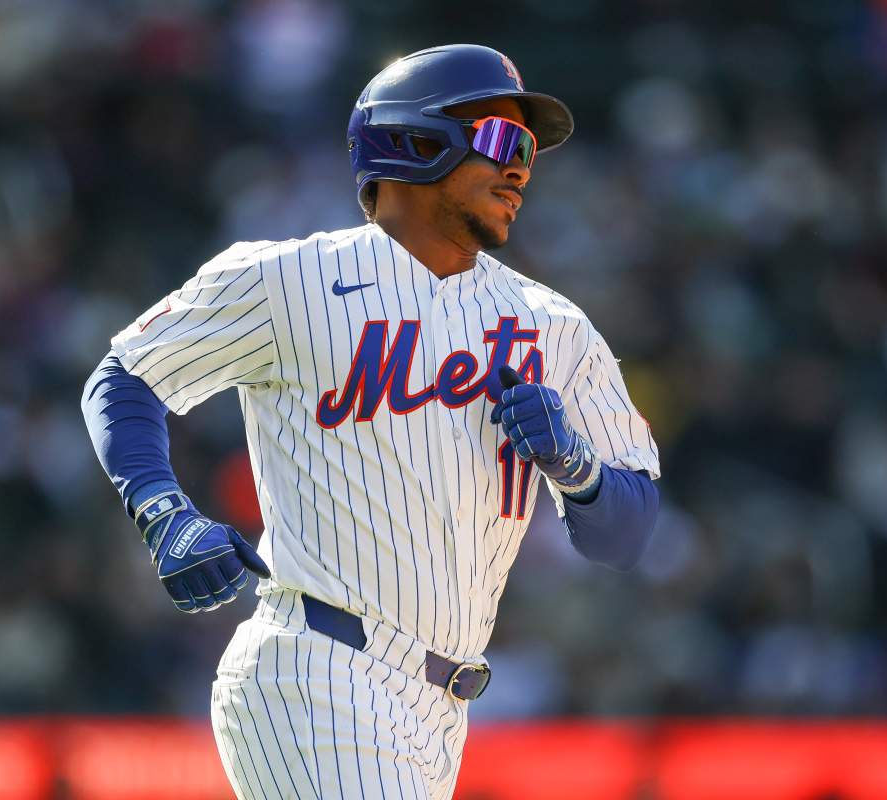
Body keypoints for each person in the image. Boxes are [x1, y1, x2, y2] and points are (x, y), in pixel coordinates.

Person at [82, 43, 660, 800]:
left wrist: (574, 467)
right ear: (414, 143)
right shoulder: (289, 279)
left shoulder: (553, 326)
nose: (520, 169)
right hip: (316, 671)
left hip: (443, 707)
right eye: (500, 140)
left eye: (527, 150)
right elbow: (125, 376)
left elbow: (627, 535)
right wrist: (165, 514)